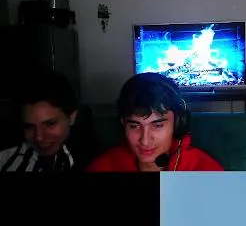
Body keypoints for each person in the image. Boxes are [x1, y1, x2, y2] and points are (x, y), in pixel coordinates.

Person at [86, 72, 223, 171]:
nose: (145, 141)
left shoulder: (204, 170)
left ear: (178, 123)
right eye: (134, 126)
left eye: (157, 125)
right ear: (123, 124)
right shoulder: (102, 167)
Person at [0, 71, 93, 171]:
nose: (39, 137)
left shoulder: (92, 157)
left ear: (72, 117)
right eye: (29, 126)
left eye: (50, 124)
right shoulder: (6, 160)